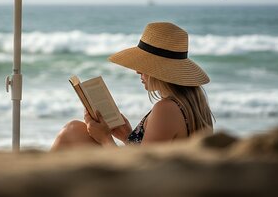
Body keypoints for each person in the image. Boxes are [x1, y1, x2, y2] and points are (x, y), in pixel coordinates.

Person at [51, 22, 214, 150]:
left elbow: (143, 170)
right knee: (75, 130)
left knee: (72, 131)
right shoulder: (194, 104)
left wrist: (105, 138)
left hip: (147, 190)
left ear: (159, 71)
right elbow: (157, 157)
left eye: (144, 65)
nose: (137, 71)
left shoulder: (166, 109)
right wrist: (127, 135)